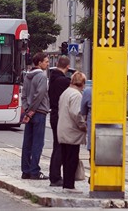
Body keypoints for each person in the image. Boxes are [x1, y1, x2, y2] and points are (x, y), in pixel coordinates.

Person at [20, 52, 50, 180]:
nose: (48, 64)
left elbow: (24, 95)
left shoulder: (27, 76)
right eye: (46, 61)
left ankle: (25, 170)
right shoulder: (42, 77)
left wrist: (27, 109)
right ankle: (34, 171)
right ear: (39, 63)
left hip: (29, 113)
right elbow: (40, 95)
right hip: (39, 112)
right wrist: (33, 110)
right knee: (38, 143)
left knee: (27, 142)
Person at [57, 71, 87, 192]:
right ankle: (69, 185)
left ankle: (66, 184)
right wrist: (83, 126)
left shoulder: (66, 92)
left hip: (64, 129)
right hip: (72, 132)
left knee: (66, 158)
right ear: (82, 83)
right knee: (72, 159)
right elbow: (77, 114)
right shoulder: (76, 95)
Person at [48, 56, 71, 187]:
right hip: (60, 115)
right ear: (67, 67)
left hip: (54, 114)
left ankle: (54, 175)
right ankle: (55, 177)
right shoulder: (63, 81)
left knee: (57, 145)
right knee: (60, 146)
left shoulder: (53, 78)